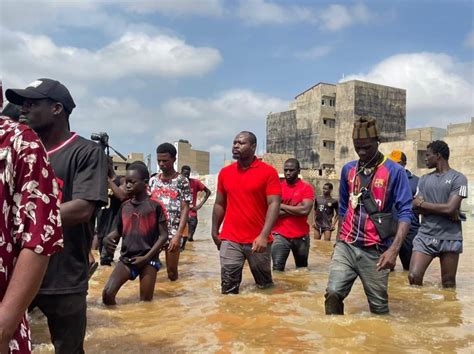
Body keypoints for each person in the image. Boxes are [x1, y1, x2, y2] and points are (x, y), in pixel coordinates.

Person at [6, 78, 108, 353]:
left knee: (69, 349)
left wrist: (22, 219)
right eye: (21, 104)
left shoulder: (86, 152)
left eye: (31, 103)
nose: (23, 109)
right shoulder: (21, 150)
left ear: (57, 109)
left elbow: (83, 208)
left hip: (64, 275)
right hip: (18, 272)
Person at [325, 117, 412, 315]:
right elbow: (344, 209)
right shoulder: (349, 170)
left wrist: (393, 251)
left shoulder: (395, 172)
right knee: (333, 292)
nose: (362, 152)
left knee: (379, 309)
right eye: (358, 147)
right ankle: (334, 341)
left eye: (367, 147)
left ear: (378, 141)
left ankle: (379, 345)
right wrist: (338, 242)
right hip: (346, 246)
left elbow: (406, 212)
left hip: (377, 250)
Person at [0, 116, 63, 353]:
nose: (29, 110)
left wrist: (4, 326)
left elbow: (40, 236)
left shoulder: (20, 142)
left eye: (35, 104)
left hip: (61, 270)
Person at [212, 131, 281, 294]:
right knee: (228, 288)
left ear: (253, 146)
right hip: (230, 238)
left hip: (258, 240)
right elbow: (219, 203)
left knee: (264, 287)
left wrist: (264, 235)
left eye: (241, 143)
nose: (236, 146)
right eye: (234, 142)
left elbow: (274, 204)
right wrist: (214, 231)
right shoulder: (225, 173)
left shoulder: (268, 172)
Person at [102, 162, 169, 305]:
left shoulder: (155, 206)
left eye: (132, 182)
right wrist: (108, 239)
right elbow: (119, 231)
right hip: (127, 259)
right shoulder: (125, 207)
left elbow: (163, 236)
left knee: (145, 303)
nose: (127, 185)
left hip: (148, 260)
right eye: (126, 182)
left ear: (145, 183)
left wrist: (146, 257)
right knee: (107, 295)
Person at [409, 141, 468, 288]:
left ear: (438, 155)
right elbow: (414, 208)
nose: (425, 158)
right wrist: (445, 209)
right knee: (413, 277)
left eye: (427, 155)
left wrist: (423, 205)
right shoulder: (423, 180)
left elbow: (449, 208)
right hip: (425, 235)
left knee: (448, 285)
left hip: (450, 237)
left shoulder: (459, 179)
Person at [149, 143, 191, 281]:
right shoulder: (153, 180)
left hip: (172, 232)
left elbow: (185, 208)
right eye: (159, 161)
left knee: (172, 272)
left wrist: (178, 235)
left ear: (174, 159)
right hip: (153, 233)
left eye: (165, 161)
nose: (161, 164)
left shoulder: (182, 181)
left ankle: (175, 297)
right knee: (149, 270)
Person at [271, 158, 314, 271]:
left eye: (291, 170)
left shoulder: (306, 188)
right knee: (277, 270)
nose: (288, 173)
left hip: (301, 236)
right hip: (280, 235)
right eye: (286, 170)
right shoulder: (277, 188)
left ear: (299, 171)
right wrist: (297, 208)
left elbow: (305, 211)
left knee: (302, 271)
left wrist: (282, 206)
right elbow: (272, 213)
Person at [388, 150, 420, 270]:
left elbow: (421, 204)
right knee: (387, 268)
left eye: (396, 163)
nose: (392, 166)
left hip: (409, 230)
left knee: (409, 268)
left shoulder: (416, 181)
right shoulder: (385, 179)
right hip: (388, 229)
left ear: (404, 163)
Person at [96, 157, 128, 266]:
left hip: (114, 226)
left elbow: (122, 196)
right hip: (101, 224)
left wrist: (109, 180)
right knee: (102, 260)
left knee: (107, 259)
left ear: (109, 164)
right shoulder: (98, 182)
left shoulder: (120, 180)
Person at [180, 165, 211, 247]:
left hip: (192, 214)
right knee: (182, 238)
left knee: (189, 238)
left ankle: (190, 249)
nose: (186, 176)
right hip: (181, 214)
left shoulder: (195, 182)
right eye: (184, 174)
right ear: (181, 173)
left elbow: (208, 192)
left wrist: (199, 206)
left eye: (188, 174)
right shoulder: (177, 183)